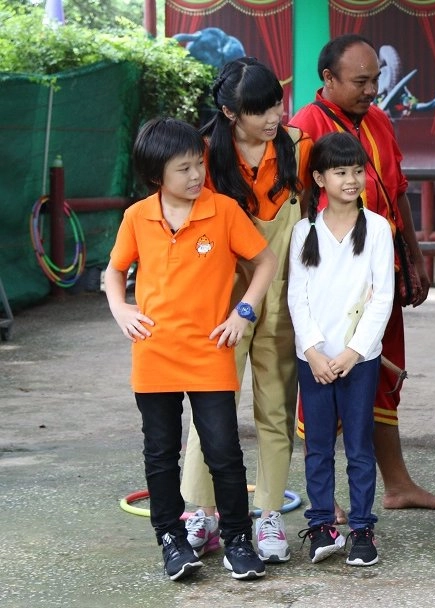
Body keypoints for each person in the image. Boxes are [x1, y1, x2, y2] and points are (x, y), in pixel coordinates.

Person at [103, 117, 275, 581]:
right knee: (160, 453)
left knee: (224, 452)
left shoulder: (222, 211)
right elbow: (115, 271)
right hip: (154, 352)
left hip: (210, 351)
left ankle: (239, 540)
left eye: (198, 164)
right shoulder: (137, 217)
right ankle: (172, 541)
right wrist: (121, 309)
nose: (196, 175)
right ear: (157, 175)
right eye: (184, 168)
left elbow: (264, 260)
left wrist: (244, 311)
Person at [290, 34, 435, 511]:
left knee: (381, 372)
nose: (372, 90)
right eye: (361, 82)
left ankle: (399, 485)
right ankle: (325, 497)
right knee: (323, 377)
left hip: (380, 271)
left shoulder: (380, 120)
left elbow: (397, 190)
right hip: (329, 281)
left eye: (375, 80)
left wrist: (416, 258)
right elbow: (299, 206)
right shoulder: (305, 126)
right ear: (328, 80)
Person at [180, 57, 313, 564]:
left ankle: (271, 515)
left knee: (276, 408)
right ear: (230, 112)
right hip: (221, 304)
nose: (273, 117)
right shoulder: (201, 156)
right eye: (259, 111)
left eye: (275, 103)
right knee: (212, 410)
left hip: (281, 298)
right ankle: (201, 511)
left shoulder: (299, 147)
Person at [288, 132, 395, 566]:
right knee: (316, 447)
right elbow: (298, 297)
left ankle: (363, 531)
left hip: (360, 360)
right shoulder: (303, 230)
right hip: (313, 361)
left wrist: (353, 352)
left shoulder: (378, 230)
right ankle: (320, 526)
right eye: (340, 172)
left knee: (358, 446)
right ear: (318, 178)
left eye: (357, 171)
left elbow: (382, 297)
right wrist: (313, 351)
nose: (351, 180)